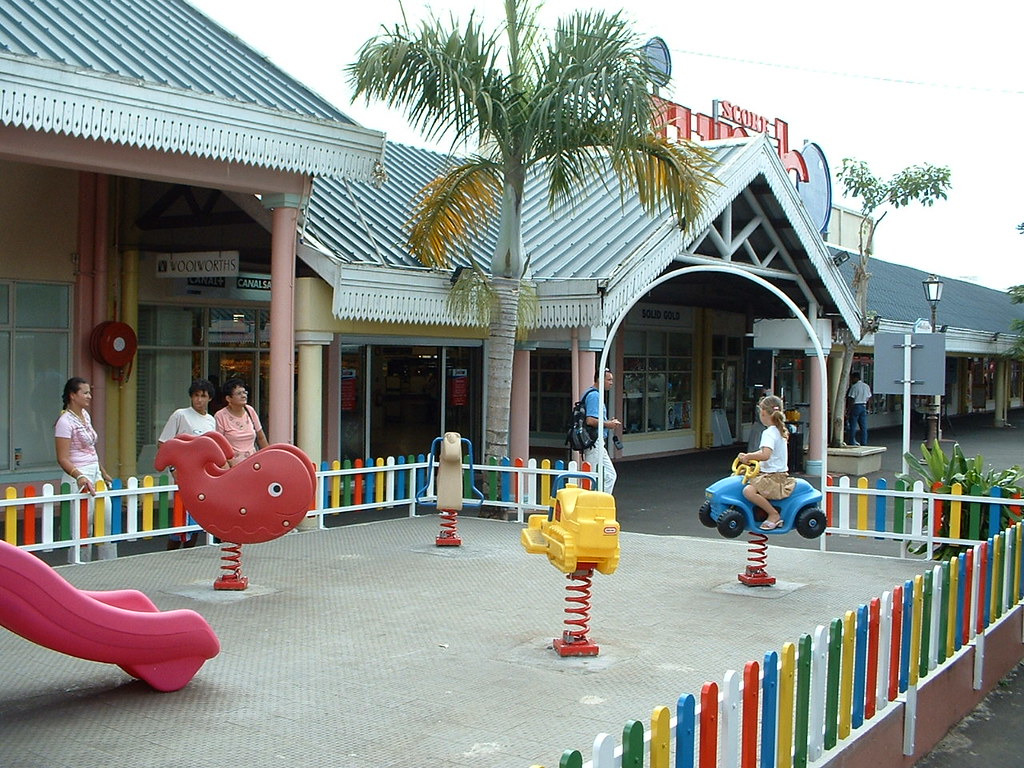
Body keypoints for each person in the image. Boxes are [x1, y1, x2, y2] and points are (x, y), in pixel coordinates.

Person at [54, 377, 116, 561]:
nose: (89, 396)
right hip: (78, 474)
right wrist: (79, 476)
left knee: (105, 517)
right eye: (85, 393)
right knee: (82, 524)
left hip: (94, 471)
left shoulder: (85, 416)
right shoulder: (65, 422)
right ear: (73, 395)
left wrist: (102, 471)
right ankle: (79, 564)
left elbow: (91, 448)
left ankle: (108, 563)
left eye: (90, 392)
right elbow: (62, 458)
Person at [158, 379, 216, 549]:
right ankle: (171, 553)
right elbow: (164, 444)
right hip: (182, 472)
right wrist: (173, 468)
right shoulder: (180, 415)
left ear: (209, 398)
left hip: (202, 474)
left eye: (203, 396)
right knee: (180, 517)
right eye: (196, 395)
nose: (199, 400)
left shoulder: (211, 420)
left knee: (197, 516)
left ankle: (190, 551)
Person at [736, 395, 795, 530]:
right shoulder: (779, 430)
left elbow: (765, 455)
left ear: (762, 412)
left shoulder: (769, 433)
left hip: (773, 478)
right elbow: (768, 454)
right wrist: (750, 458)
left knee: (748, 491)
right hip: (775, 474)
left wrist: (748, 456)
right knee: (744, 475)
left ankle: (773, 514)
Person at [214, 378, 268, 466]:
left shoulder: (250, 410)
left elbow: (261, 437)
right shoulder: (220, 416)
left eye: (244, 392)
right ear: (228, 398)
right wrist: (228, 464)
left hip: (253, 464)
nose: (243, 396)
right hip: (232, 466)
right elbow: (219, 444)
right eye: (239, 393)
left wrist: (268, 457)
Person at [583, 369, 621, 494]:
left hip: (595, 440)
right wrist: (608, 424)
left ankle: (599, 500)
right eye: (609, 380)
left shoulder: (591, 393)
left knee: (608, 475)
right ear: (600, 379)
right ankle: (593, 501)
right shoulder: (595, 396)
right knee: (593, 475)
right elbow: (590, 420)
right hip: (594, 440)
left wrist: (607, 422)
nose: (611, 383)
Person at [846, 372, 872, 446]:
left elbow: (851, 399)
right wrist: (868, 408)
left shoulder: (854, 387)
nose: (851, 380)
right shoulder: (866, 386)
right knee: (863, 426)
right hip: (863, 406)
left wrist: (848, 410)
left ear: (856, 378)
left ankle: (851, 441)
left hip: (856, 406)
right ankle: (864, 442)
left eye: (852, 378)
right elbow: (869, 398)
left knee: (853, 425)